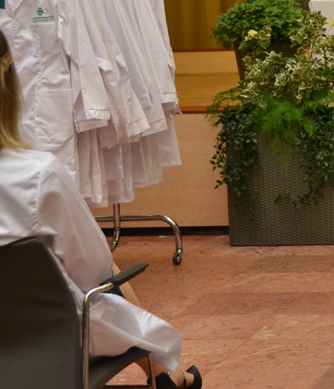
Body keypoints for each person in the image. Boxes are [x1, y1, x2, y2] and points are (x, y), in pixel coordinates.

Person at [0, 30, 201, 388]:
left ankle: (167, 376)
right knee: (100, 272)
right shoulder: (36, 175)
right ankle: (166, 376)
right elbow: (94, 268)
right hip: (46, 340)